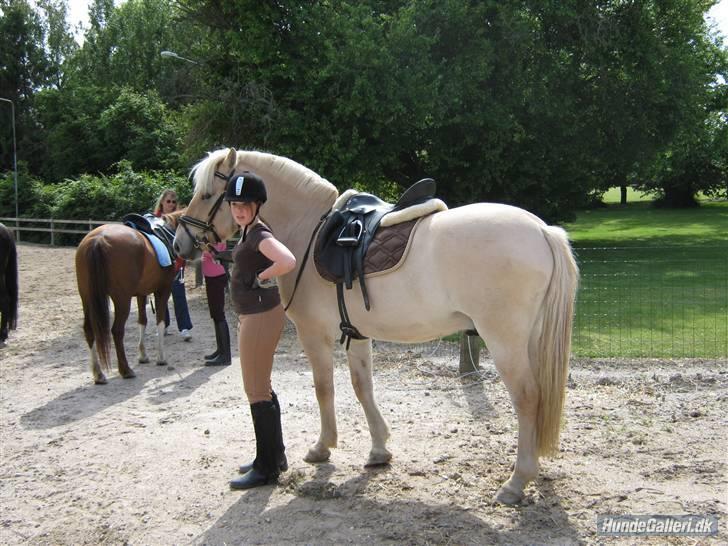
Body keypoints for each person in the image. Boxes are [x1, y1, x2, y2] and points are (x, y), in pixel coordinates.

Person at [223, 170, 296, 490]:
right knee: (262, 386)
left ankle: (266, 468)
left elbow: (287, 260)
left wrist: (263, 276)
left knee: (255, 390)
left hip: (259, 315)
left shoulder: (257, 234)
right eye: (234, 204)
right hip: (257, 313)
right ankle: (273, 456)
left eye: (245, 204)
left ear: (257, 204)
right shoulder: (248, 231)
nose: (239, 209)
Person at [154, 189, 193, 341]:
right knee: (160, 297)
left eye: (173, 202)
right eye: (168, 201)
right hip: (160, 264)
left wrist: (180, 262)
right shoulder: (154, 220)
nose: (171, 204)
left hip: (176, 263)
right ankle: (163, 325)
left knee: (179, 295)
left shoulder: (179, 219)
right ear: (162, 202)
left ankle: (184, 327)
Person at [201, 242, 230, 366]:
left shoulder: (219, 239)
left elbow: (217, 255)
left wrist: (204, 249)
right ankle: (220, 350)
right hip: (210, 277)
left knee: (219, 314)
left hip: (216, 277)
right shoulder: (210, 238)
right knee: (215, 314)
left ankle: (225, 355)